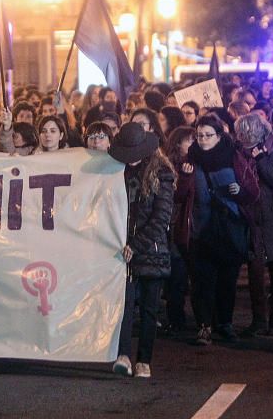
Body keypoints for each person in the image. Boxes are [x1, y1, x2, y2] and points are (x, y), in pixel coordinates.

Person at [110, 122, 175, 378]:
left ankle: (144, 359)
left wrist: (135, 245)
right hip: (122, 249)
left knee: (149, 308)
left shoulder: (162, 173)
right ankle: (123, 355)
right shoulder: (118, 171)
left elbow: (161, 218)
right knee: (124, 305)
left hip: (150, 251)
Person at [188, 115, 260, 343]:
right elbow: (183, 194)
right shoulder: (191, 159)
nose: (203, 140)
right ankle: (204, 325)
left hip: (230, 224)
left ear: (219, 136)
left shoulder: (233, 156)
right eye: (199, 135)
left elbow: (253, 191)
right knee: (203, 280)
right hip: (203, 226)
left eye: (208, 135)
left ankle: (225, 323)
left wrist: (239, 192)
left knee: (228, 279)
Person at [235, 113, 273, 337]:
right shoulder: (240, 153)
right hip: (253, 217)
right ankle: (259, 320)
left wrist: (261, 160)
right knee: (256, 273)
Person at [164, 126, 196, 334]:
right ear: (178, 144)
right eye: (190, 141)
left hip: (194, 227)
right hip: (176, 228)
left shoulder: (198, 164)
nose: (194, 144)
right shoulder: (170, 167)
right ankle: (176, 318)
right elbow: (175, 197)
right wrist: (184, 177)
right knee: (177, 276)